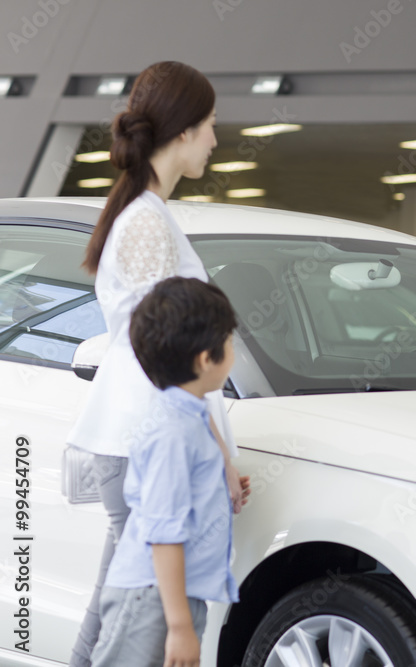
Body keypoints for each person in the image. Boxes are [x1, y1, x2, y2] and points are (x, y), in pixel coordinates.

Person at [64, 61, 249, 667]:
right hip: (142, 439)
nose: (216, 142)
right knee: (129, 624)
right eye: (211, 126)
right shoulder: (145, 220)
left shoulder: (146, 213)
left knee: (114, 614)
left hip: (135, 438)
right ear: (183, 131)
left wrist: (221, 457)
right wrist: (219, 458)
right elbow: (162, 355)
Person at [90, 277, 240, 667]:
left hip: (175, 593)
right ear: (206, 358)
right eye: (229, 340)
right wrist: (179, 626)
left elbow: (183, 498)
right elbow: (163, 532)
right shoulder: (173, 431)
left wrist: (218, 490)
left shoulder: (190, 417)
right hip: (152, 597)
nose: (233, 349)